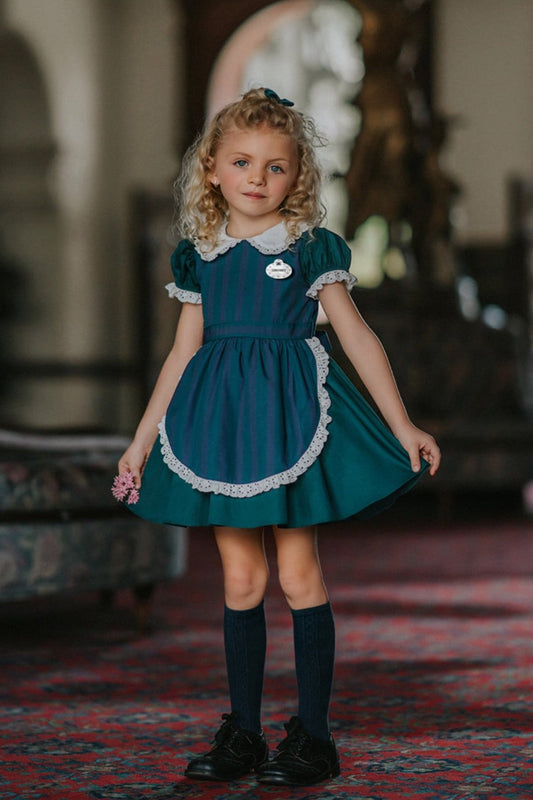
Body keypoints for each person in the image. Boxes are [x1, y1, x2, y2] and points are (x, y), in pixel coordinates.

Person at [117, 87, 441, 786]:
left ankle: (314, 738)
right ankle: (244, 732)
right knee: (240, 579)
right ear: (211, 169)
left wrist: (402, 423)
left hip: (292, 418)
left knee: (297, 576)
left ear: (297, 176)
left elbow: (357, 336)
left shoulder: (310, 250)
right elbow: (181, 354)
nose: (257, 178)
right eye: (241, 162)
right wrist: (141, 441)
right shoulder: (198, 254)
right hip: (219, 425)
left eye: (274, 166)